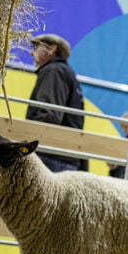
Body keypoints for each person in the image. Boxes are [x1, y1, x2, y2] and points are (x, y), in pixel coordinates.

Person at [26, 33, 85, 172]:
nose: (31, 52)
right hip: (64, 156)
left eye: (36, 47)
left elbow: (49, 114)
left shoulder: (53, 71)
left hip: (50, 156)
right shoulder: (66, 72)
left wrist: (30, 145)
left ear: (52, 49)